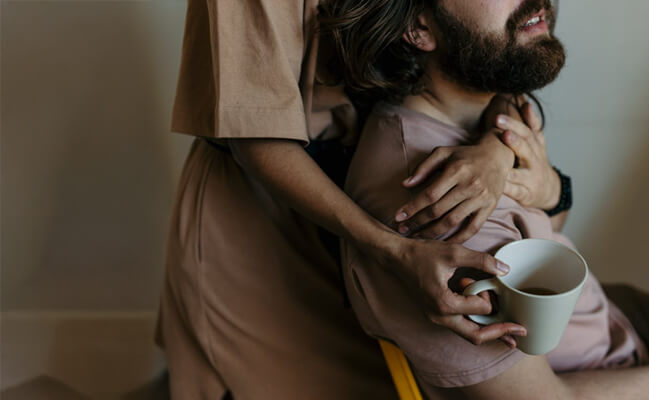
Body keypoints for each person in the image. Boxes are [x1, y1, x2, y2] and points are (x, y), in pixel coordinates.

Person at [155, 1, 568, 399]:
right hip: (266, 210)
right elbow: (256, 137)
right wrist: (393, 250)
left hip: (373, 178)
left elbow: (484, 47)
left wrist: (494, 151)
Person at [324, 0, 649, 398]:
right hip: (599, 374)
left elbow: (543, 231)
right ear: (420, 28)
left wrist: (529, 173)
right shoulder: (446, 209)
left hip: (598, 325)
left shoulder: (479, 113)